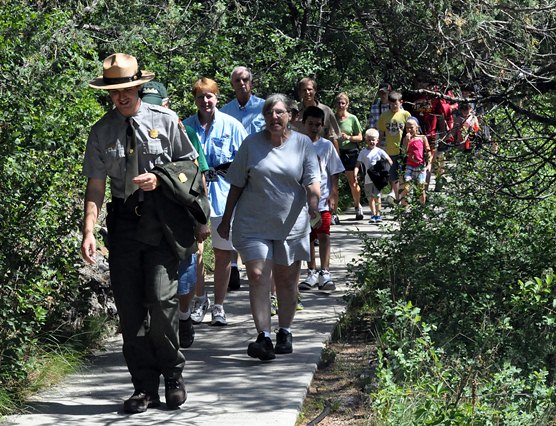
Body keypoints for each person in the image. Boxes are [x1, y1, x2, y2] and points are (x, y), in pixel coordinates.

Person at [82, 53, 205, 413]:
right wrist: (89, 230)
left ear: (138, 86)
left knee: (162, 302)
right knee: (131, 310)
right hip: (122, 226)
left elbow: (192, 166)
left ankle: (172, 374)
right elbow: (95, 186)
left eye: (126, 89)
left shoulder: (165, 121)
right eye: (113, 91)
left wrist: (161, 178)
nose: (120, 97)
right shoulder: (101, 131)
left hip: (161, 221)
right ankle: (144, 387)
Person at [217, 94, 320, 361]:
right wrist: (226, 219)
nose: (274, 117)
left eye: (279, 113)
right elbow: (237, 183)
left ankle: (284, 330)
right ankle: (263, 337)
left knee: (287, 280)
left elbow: (312, 181)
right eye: (269, 113)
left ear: (291, 116)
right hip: (253, 224)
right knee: (258, 275)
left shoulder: (303, 144)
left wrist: (313, 204)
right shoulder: (251, 144)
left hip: (291, 226)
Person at [139, 81, 210, 349]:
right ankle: (157, 327)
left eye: (155, 105)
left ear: (167, 105)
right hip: (147, 216)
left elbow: (197, 176)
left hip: (180, 212)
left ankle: (184, 316)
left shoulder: (186, 132)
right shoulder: (130, 129)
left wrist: (202, 218)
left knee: (186, 272)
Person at [183, 77, 248, 327]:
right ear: (195, 99)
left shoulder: (232, 126)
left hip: (224, 195)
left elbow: (245, 163)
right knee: (195, 251)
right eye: (200, 96)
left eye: (209, 96)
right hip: (195, 198)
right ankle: (201, 298)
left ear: (217, 97)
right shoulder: (185, 127)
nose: (205, 101)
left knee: (223, 252)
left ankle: (219, 306)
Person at [220, 66, 265, 291]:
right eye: (237, 80)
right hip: (234, 171)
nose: (242, 84)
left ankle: (256, 263)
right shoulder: (225, 111)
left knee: (256, 217)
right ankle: (233, 266)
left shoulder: (264, 108)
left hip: (259, 170)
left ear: (252, 82)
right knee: (234, 215)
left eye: (245, 79)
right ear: (232, 85)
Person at [298, 106, 344, 291]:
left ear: (323, 125)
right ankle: (311, 271)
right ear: (303, 124)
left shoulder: (326, 145)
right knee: (308, 236)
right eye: (310, 124)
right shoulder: (296, 144)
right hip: (302, 201)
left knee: (324, 234)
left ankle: (325, 272)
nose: (314, 128)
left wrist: (334, 193)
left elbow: (334, 172)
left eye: (318, 124)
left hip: (322, 199)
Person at [377, 91, 411, 202]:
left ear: (401, 102)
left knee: (403, 177)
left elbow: (411, 130)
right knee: (393, 177)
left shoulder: (406, 114)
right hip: (389, 151)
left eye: (395, 104)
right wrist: (376, 148)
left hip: (403, 150)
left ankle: (404, 200)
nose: (393, 106)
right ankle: (397, 199)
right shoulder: (384, 115)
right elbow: (381, 133)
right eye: (390, 104)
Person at [354, 128, 393, 223]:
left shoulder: (379, 151)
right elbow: (357, 164)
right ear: (366, 140)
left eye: (373, 139)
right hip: (368, 178)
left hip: (377, 179)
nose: (371, 142)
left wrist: (386, 171)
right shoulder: (363, 152)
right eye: (369, 139)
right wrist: (355, 174)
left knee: (377, 196)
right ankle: (373, 215)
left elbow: (389, 160)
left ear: (377, 140)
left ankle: (378, 215)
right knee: (370, 198)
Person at [335, 92, 364, 220]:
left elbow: (360, 137)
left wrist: (348, 137)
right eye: (339, 103)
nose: (340, 105)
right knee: (333, 183)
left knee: (353, 181)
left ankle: (358, 207)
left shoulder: (352, 118)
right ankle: (333, 212)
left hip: (350, 152)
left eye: (343, 103)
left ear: (347, 104)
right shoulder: (332, 118)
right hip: (336, 152)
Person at [292, 77, 341, 152]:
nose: (307, 92)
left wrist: (337, 160)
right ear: (299, 92)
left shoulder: (326, 111)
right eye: (304, 90)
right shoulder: (294, 111)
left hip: (320, 154)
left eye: (309, 89)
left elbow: (333, 138)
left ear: (315, 90)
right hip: (298, 154)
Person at [399, 117, 433, 206]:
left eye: (411, 127)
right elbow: (403, 153)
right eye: (407, 128)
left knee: (421, 188)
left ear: (417, 127)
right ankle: (404, 207)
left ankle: (422, 208)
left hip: (420, 166)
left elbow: (428, 151)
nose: (409, 130)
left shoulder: (422, 138)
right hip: (409, 166)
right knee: (406, 187)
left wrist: (429, 164)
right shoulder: (406, 139)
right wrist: (406, 140)